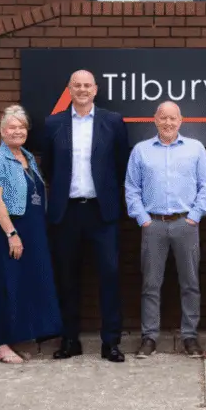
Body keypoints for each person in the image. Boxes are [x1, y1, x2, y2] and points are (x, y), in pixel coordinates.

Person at [42, 70, 130, 363]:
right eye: (76, 85)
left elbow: (120, 165)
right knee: (67, 278)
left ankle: (111, 343)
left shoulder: (113, 121)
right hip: (66, 213)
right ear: (69, 89)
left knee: (110, 276)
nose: (82, 89)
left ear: (96, 89)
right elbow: (50, 168)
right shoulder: (54, 123)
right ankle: (69, 340)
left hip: (101, 212)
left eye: (87, 85)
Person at [125, 102, 206, 359]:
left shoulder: (195, 149)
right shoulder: (141, 151)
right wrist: (143, 219)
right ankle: (149, 336)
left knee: (191, 284)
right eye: (163, 118)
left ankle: (190, 337)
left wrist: (195, 216)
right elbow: (132, 188)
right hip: (153, 225)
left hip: (185, 224)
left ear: (181, 120)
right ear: (155, 120)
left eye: (172, 118)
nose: (168, 123)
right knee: (151, 284)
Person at [0, 105, 63, 364]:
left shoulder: (27, 156)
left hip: (33, 229)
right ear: (2, 131)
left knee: (25, 285)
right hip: (9, 229)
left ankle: (17, 339)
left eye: (21, 127)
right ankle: (3, 345)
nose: (17, 131)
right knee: (7, 285)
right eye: (11, 127)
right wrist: (11, 233)